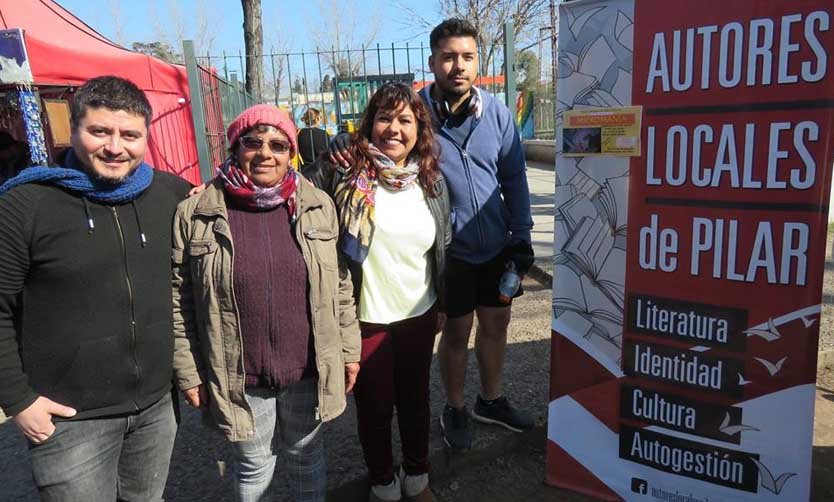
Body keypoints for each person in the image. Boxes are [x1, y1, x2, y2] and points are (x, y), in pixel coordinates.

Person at [329, 18, 535, 451]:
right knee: (456, 333)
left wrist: (522, 236)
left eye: (467, 57)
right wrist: (337, 142)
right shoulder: (416, 115)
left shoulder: (496, 112)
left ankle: (490, 400)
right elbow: (376, 135)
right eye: (448, 57)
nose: (458, 66)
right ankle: (456, 406)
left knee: (496, 325)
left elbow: (514, 177)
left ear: (478, 61)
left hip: (496, 245)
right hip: (450, 250)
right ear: (433, 61)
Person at [0, 75, 190, 500]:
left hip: (156, 408)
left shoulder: (171, 195)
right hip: (70, 420)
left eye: (130, 135)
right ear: (74, 128)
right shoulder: (26, 204)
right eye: (99, 131)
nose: (115, 147)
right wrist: (18, 400)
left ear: (146, 135)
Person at [171, 104, 360, 502]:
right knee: (254, 465)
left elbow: (339, 284)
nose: (265, 153)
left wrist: (348, 350)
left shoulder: (317, 205)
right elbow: (179, 298)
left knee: (306, 458)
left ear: (291, 152)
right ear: (235, 147)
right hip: (241, 372)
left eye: (278, 144)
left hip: (306, 367)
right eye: (252, 142)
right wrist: (189, 372)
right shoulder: (197, 212)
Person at [304, 81, 450, 502]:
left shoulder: (431, 181)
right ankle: (383, 483)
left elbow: (444, 245)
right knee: (375, 406)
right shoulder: (343, 170)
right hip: (365, 316)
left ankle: (417, 477)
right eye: (384, 118)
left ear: (418, 129)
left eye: (405, 120)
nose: (394, 128)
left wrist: (441, 301)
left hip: (418, 312)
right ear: (369, 124)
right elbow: (290, 188)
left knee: (416, 400)